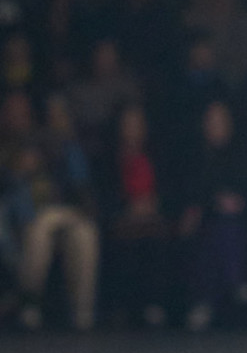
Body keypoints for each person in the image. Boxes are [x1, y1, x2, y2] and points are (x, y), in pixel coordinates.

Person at [0, 91, 99, 331]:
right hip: (23, 219)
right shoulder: (5, 149)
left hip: (61, 213)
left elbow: (79, 187)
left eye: (23, 113)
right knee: (39, 229)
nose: (19, 118)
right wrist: (17, 172)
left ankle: (82, 311)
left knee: (85, 233)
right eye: (12, 113)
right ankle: (29, 302)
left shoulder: (51, 143)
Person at [179, 99, 247, 331]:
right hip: (204, 218)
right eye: (211, 122)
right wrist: (211, 204)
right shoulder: (194, 156)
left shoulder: (241, 156)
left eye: (220, 122)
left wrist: (235, 203)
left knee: (226, 228)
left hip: (236, 221)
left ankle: (208, 299)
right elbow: (192, 193)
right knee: (215, 230)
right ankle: (236, 282)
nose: (215, 127)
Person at [102, 103, 173, 326]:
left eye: (137, 124)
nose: (132, 129)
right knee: (124, 244)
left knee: (157, 240)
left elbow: (167, 188)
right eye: (128, 124)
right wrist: (128, 206)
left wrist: (154, 203)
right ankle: (123, 307)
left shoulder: (157, 155)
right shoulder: (109, 157)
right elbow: (106, 191)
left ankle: (154, 305)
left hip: (153, 216)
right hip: (123, 217)